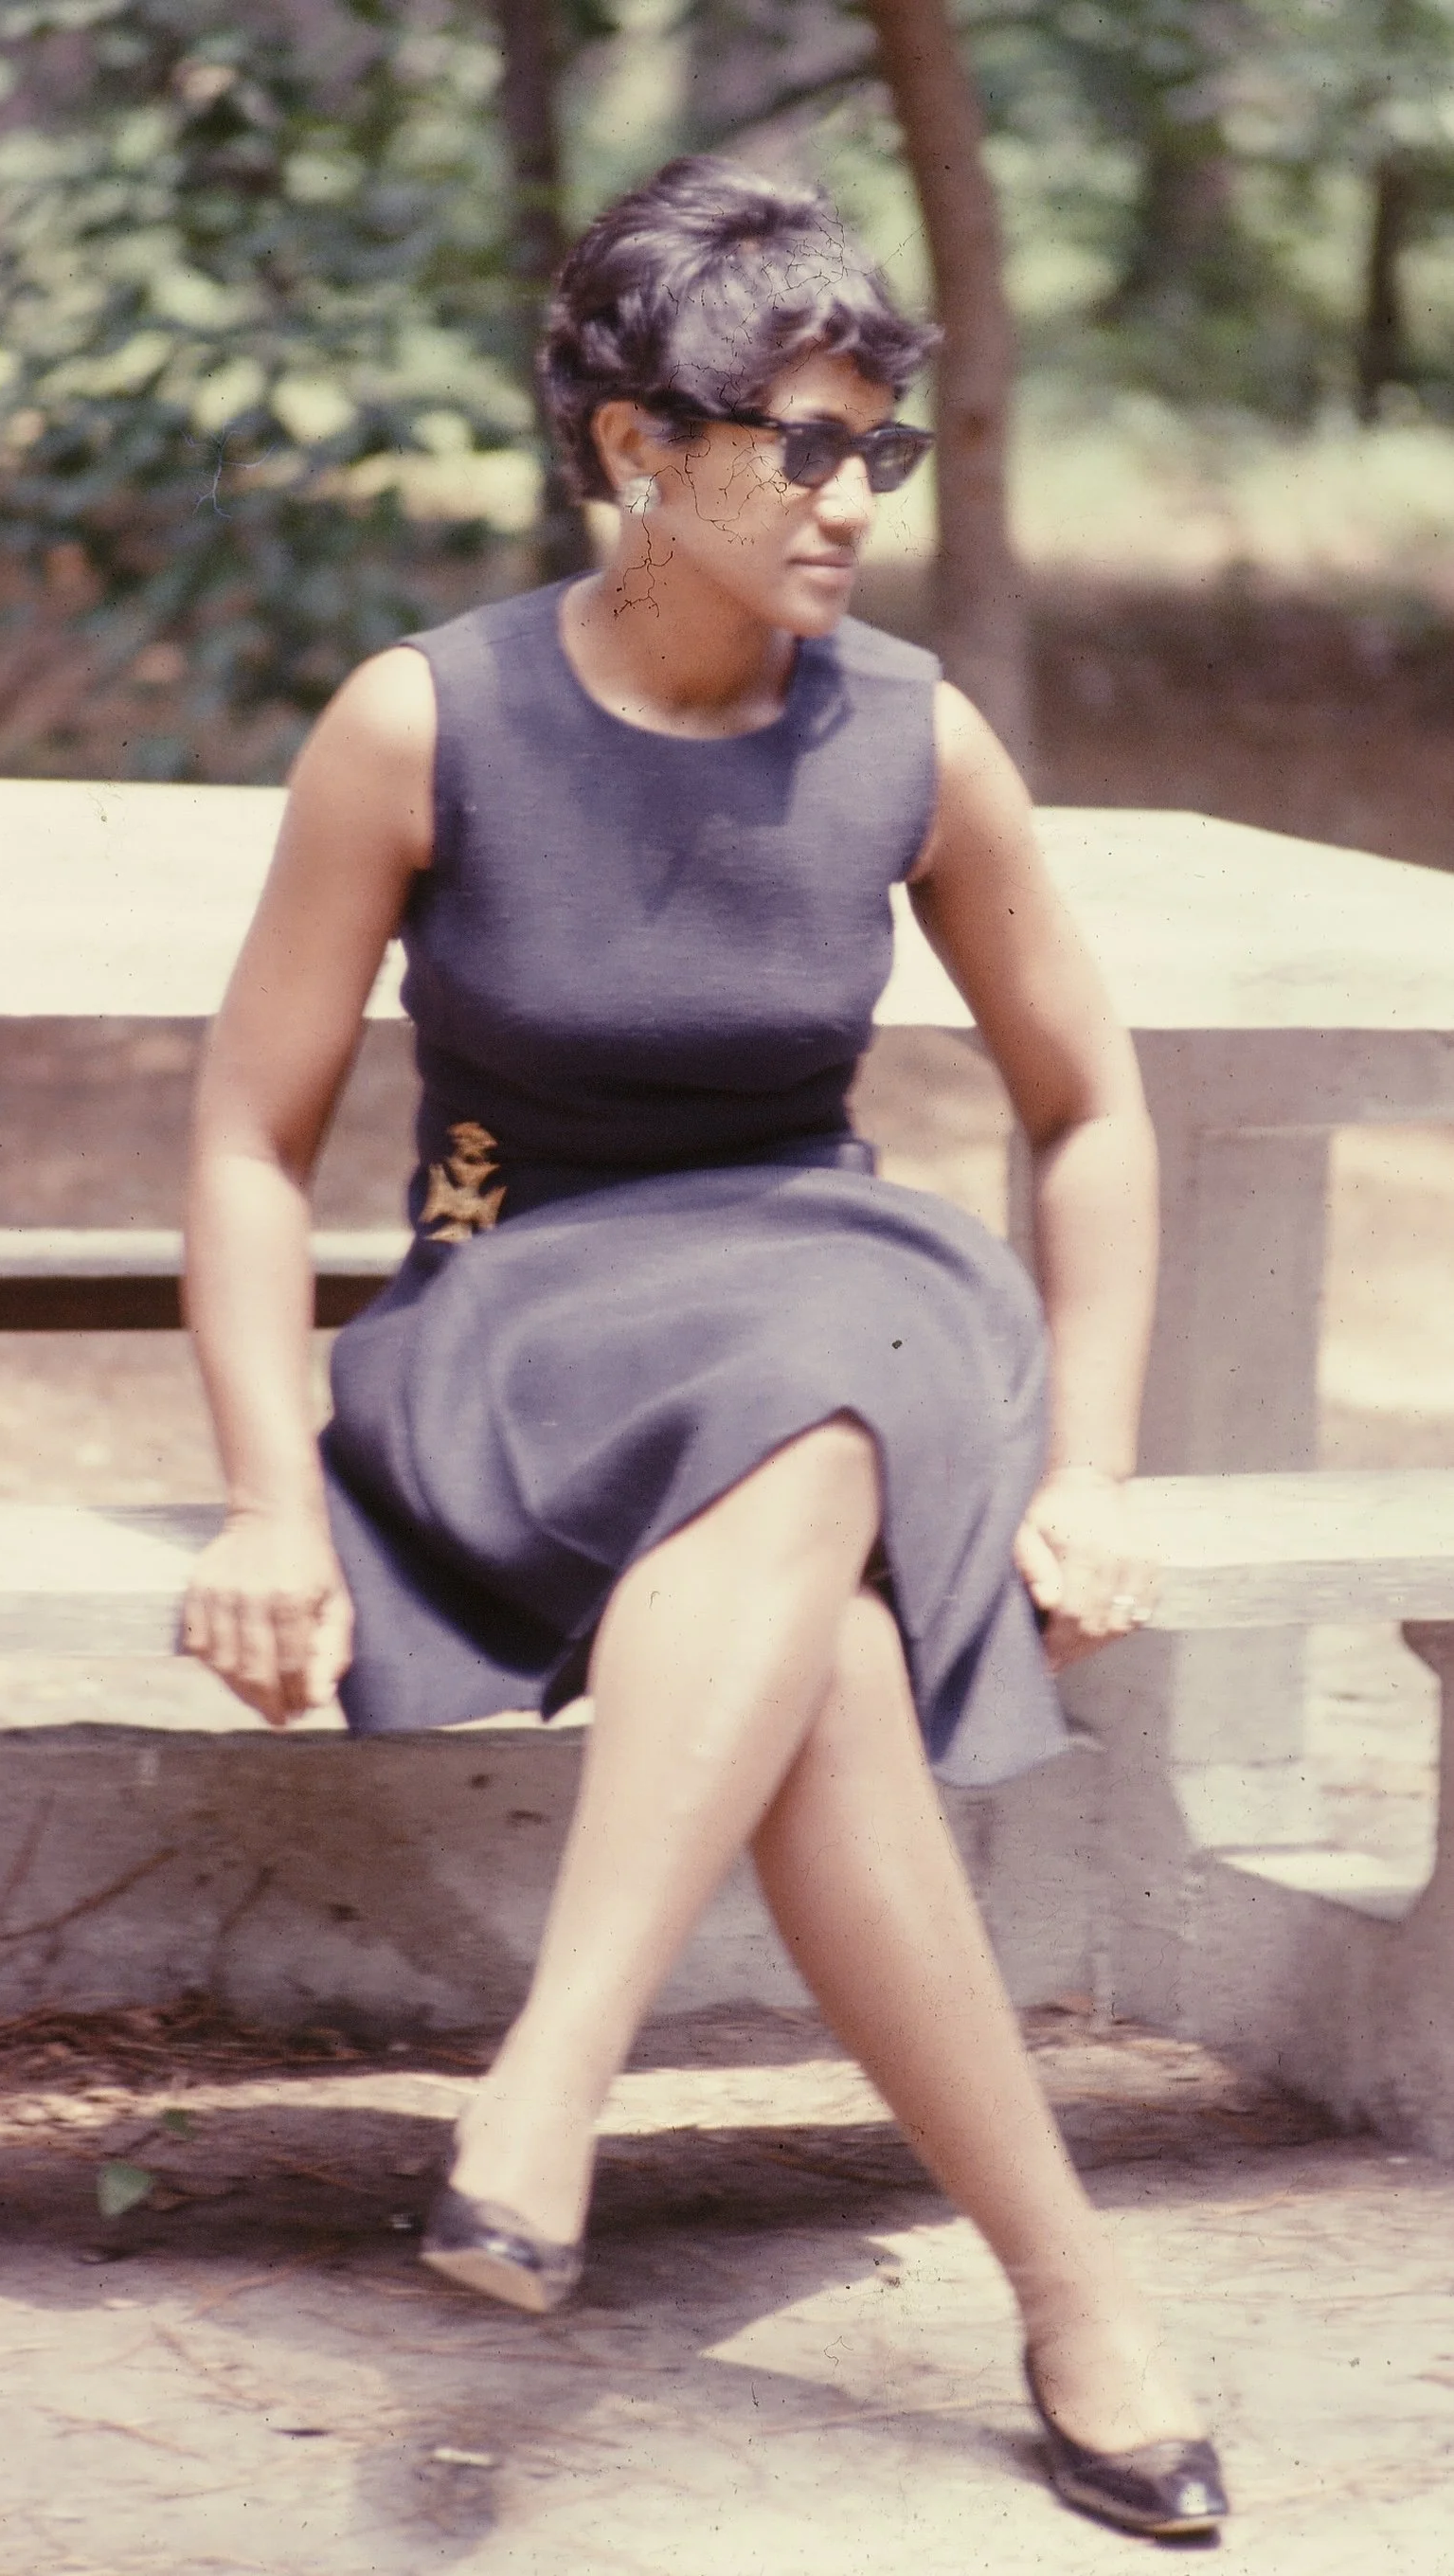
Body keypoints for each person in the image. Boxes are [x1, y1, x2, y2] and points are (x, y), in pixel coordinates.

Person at [182, 155, 1227, 2540]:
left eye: (883, 446)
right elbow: (248, 1145)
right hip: (516, 1318)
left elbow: (1089, 1109)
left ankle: (549, 2080)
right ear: (636, 449)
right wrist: (261, 1491)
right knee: (821, 1651)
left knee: (824, 1387)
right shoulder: (416, 721)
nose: (853, 498)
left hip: (826, 1272)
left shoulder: (912, 739)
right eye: (804, 442)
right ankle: (1073, 2290)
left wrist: (1098, 1458)